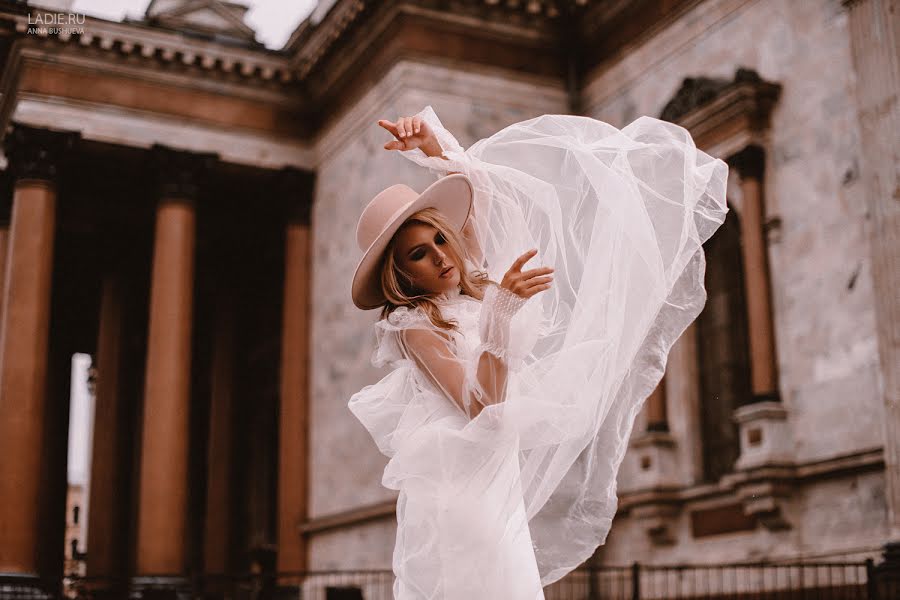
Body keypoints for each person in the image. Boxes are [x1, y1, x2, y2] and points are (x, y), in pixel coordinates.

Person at [348, 106, 729, 599]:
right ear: (400, 275)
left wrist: (432, 146)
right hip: (459, 498)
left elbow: (486, 197)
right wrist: (500, 314)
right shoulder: (414, 326)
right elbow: (482, 406)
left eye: (441, 238)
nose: (442, 256)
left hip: (494, 484)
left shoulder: (470, 295)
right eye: (419, 254)